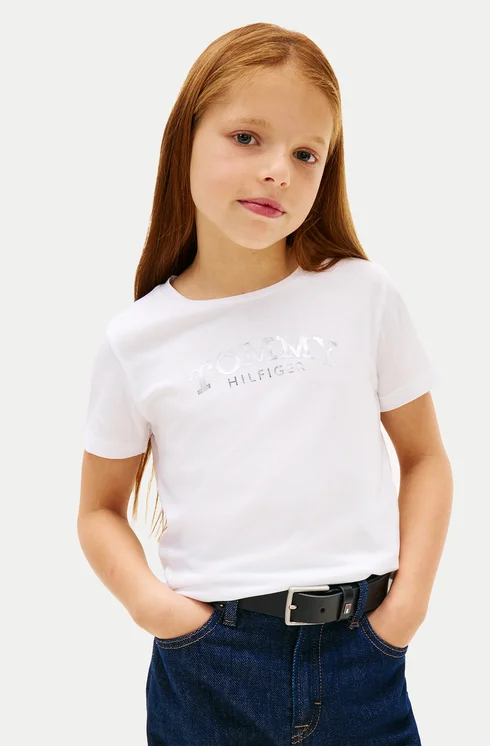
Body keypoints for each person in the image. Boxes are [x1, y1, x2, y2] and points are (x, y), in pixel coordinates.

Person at [78, 21, 453, 746]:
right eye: (247, 137)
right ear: (185, 140)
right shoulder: (137, 339)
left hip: (362, 657)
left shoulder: (363, 295)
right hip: (208, 667)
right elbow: (98, 510)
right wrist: (160, 614)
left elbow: (425, 458)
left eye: (306, 153)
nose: (278, 169)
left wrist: (406, 609)